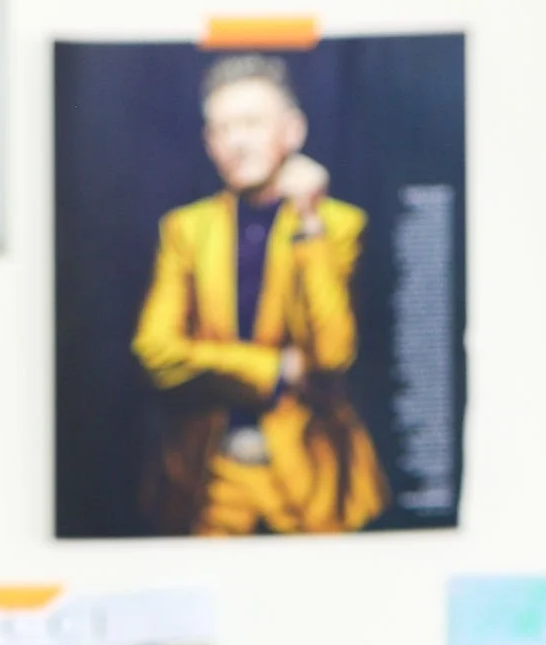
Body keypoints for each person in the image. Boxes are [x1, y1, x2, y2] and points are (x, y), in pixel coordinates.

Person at [132, 54, 387, 538]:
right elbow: (155, 351)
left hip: (312, 481)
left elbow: (332, 355)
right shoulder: (186, 229)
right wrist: (274, 370)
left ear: (291, 131)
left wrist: (309, 224)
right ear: (208, 142)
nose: (236, 142)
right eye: (221, 129)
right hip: (210, 483)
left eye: (250, 123)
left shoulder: (337, 225)